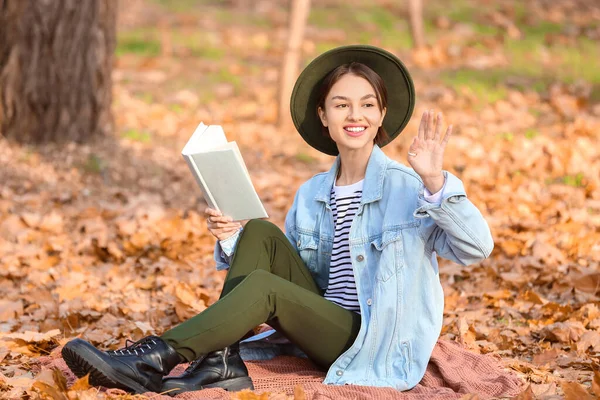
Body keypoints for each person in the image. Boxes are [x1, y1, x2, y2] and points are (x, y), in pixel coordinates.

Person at [61, 45, 493, 395]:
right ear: (324, 118)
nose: (354, 115)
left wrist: (436, 181)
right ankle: (221, 360)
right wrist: (232, 240)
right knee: (260, 231)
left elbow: (477, 248)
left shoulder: (408, 186)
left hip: (367, 340)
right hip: (320, 321)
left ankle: (154, 358)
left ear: (381, 116)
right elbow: (289, 276)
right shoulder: (311, 195)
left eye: (367, 104)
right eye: (341, 105)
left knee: (267, 288)